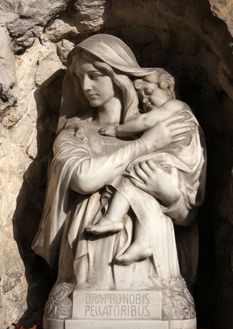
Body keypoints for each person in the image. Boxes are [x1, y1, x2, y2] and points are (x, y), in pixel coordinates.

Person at [32, 34, 206, 304]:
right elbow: (84, 178)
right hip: (87, 259)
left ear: (120, 75)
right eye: (80, 78)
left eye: (95, 75)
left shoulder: (162, 125)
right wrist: (144, 146)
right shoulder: (76, 133)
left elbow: (187, 213)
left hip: (156, 266)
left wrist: (169, 192)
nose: (86, 85)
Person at [85, 69, 198, 266]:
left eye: (148, 92)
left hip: (174, 162)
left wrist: (117, 129)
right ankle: (143, 242)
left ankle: (113, 218)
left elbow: (145, 120)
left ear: (167, 88)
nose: (145, 100)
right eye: (141, 97)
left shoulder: (175, 106)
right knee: (143, 189)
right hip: (171, 163)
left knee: (133, 172)